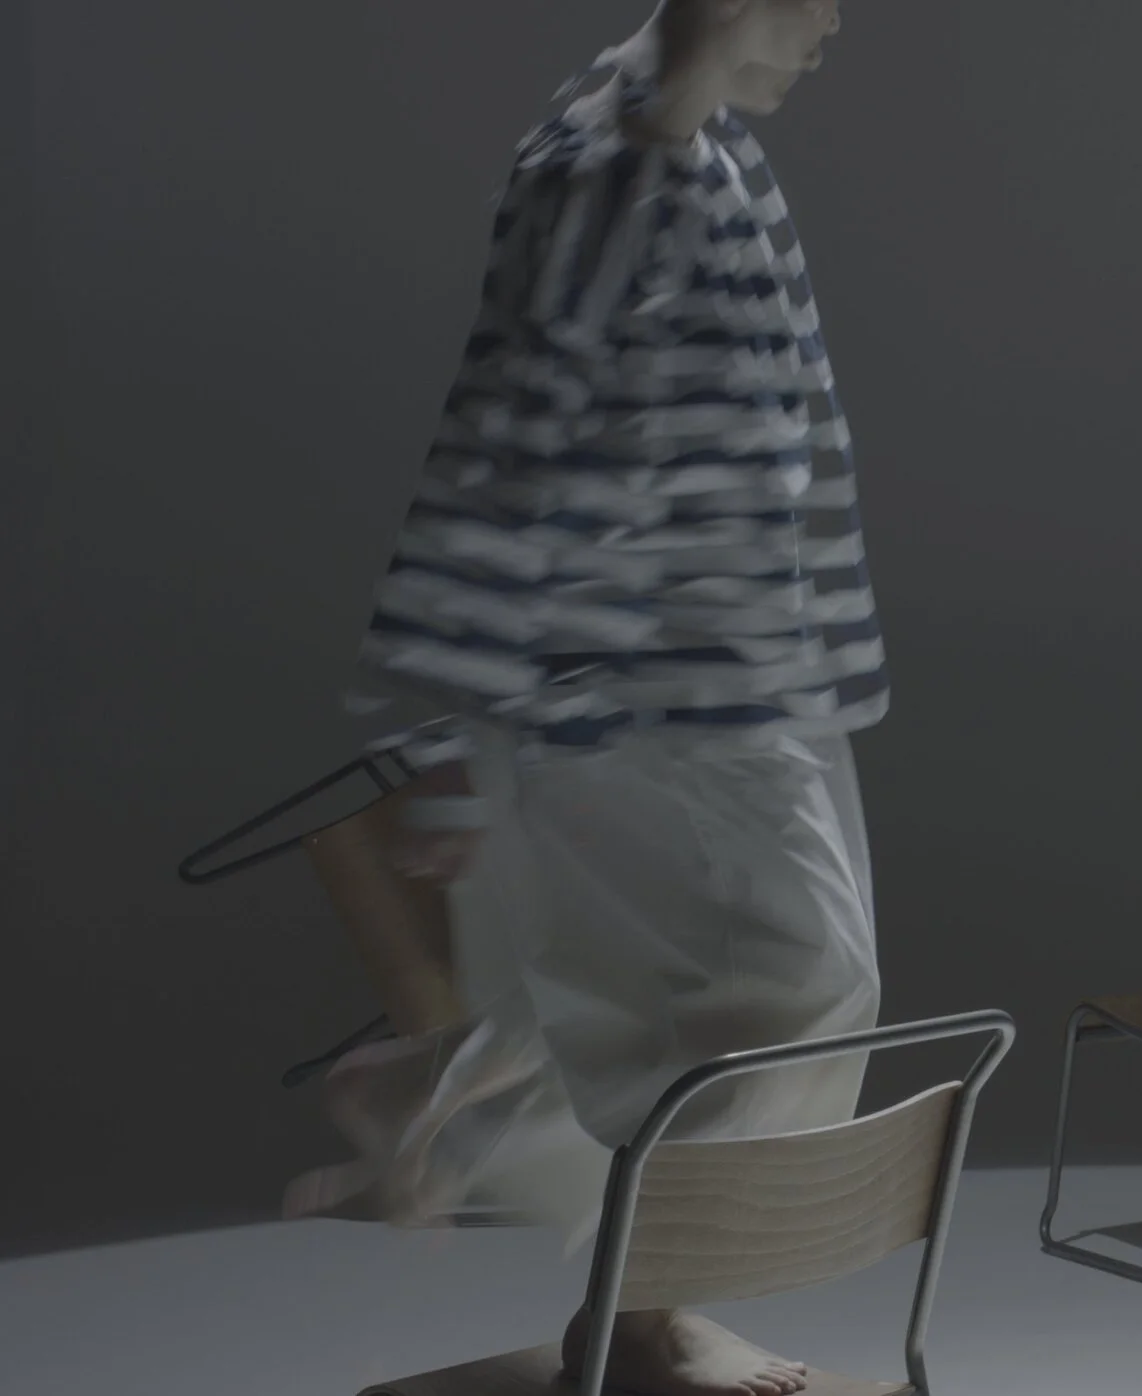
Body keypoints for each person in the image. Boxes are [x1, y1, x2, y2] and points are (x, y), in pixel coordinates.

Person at [284, 4, 884, 1393]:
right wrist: (449, 739)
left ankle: (462, 1098)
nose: (829, 30)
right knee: (804, 982)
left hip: (742, 677)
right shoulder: (607, 170)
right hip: (653, 700)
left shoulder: (698, 151)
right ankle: (626, 1297)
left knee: (678, 1007)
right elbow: (504, 448)